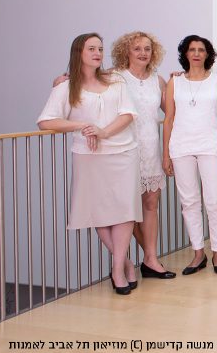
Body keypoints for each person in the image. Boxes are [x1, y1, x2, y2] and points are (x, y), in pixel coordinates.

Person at [38, 33, 142, 295]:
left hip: (123, 152)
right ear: (79, 53)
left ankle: (117, 268)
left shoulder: (115, 81)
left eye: (100, 49)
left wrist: (103, 132)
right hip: (89, 156)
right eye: (91, 48)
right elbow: (46, 121)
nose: (97, 53)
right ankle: (125, 263)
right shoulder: (65, 87)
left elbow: (128, 113)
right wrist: (83, 125)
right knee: (98, 212)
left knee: (125, 210)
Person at [163, 35, 217, 275]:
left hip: (211, 146)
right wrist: (165, 154)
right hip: (180, 147)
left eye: (201, 50)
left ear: (207, 54)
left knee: (214, 200)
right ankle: (198, 253)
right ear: (185, 54)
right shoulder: (174, 82)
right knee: (189, 201)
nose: (196, 54)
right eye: (192, 49)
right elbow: (168, 119)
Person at [110, 32, 176, 279]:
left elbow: (173, 111)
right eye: (137, 48)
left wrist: (179, 83)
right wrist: (62, 81)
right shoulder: (115, 77)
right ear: (126, 51)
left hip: (150, 148)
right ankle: (122, 263)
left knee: (150, 204)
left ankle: (150, 259)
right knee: (127, 209)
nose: (143, 53)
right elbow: (88, 86)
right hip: (124, 148)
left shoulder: (158, 81)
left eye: (147, 49)